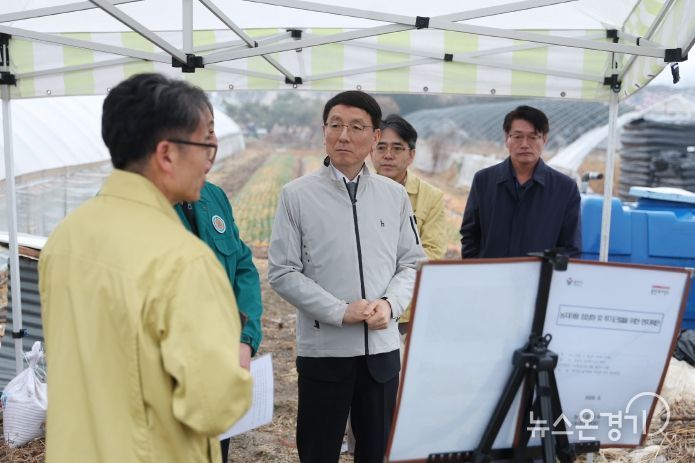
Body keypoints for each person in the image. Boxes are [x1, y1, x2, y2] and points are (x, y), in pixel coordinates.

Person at [38, 73, 252, 463]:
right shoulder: (182, 259)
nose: (209, 159)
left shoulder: (65, 237)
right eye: (205, 144)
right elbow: (214, 407)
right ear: (167, 154)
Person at [268, 91, 425, 463]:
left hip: (381, 351)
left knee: (376, 452)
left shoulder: (394, 196)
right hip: (325, 351)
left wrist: (390, 305)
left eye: (356, 127)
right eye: (335, 125)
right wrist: (339, 311)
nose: (343, 136)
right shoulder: (297, 195)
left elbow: (412, 263)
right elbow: (283, 271)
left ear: (373, 137)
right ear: (323, 131)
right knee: (318, 452)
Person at [174, 181, 263, 462]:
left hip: (220, 367)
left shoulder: (213, 196)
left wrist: (245, 340)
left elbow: (243, 267)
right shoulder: (141, 208)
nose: (208, 160)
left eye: (211, 161)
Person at [460, 105, 581, 258]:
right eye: (517, 137)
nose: (525, 144)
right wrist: (477, 268)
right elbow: (470, 235)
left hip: (539, 273)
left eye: (533, 137)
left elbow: (570, 248)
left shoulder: (565, 188)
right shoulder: (483, 181)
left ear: (544, 139)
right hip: (490, 272)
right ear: (506, 138)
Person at [371, 114, 447, 335]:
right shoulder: (354, 192)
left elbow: (432, 253)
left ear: (411, 155)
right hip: (364, 306)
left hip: (407, 311)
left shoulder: (430, 197)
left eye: (397, 148)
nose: (388, 155)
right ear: (370, 151)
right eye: (381, 147)